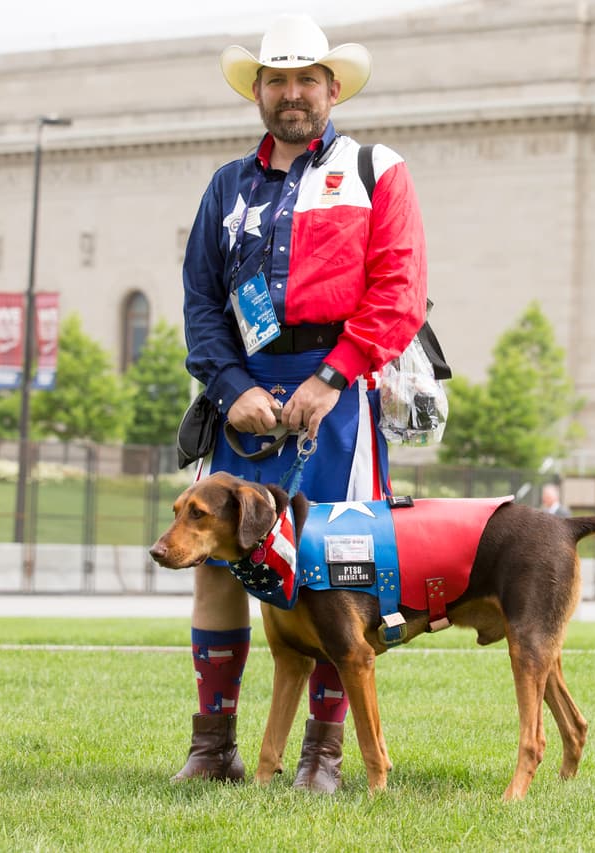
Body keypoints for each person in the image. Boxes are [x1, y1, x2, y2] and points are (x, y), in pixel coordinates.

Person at [177, 15, 427, 789]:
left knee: (339, 571)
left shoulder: (374, 169)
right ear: (258, 90)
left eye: (305, 80)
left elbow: (400, 290)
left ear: (331, 88)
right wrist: (233, 387)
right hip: (245, 399)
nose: (292, 93)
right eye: (277, 80)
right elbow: (202, 303)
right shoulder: (226, 185)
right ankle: (212, 746)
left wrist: (333, 375)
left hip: (339, 398)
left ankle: (322, 753)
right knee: (216, 564)